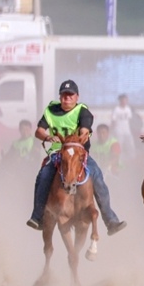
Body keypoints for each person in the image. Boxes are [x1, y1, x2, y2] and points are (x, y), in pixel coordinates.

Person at [26, 80, 127, 235]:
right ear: (60, 97)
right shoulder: (51, 110)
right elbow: (39, 131)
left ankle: (110, 220)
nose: (67, 98)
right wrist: (47, 137)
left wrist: (81, 135)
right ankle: (37, 216)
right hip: (57, 153)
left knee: (97, 176)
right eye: (64, 95)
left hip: (79, 154)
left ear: (77, 97)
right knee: (43, 176)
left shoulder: (82, 110)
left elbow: (85, 128)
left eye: (70, 95)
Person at [111, 93, 135, 159]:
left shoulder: (128, 109)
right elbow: (113, 120)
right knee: (120, 144)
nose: (124, 101)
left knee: (130, 144)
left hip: (127, 130)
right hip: (118, 130)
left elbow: (129, 120)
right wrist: (112, 129)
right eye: (123, 100)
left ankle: (132, 157)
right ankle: (119, 158)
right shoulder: (116, 109)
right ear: (120, 100)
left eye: (125, 100)